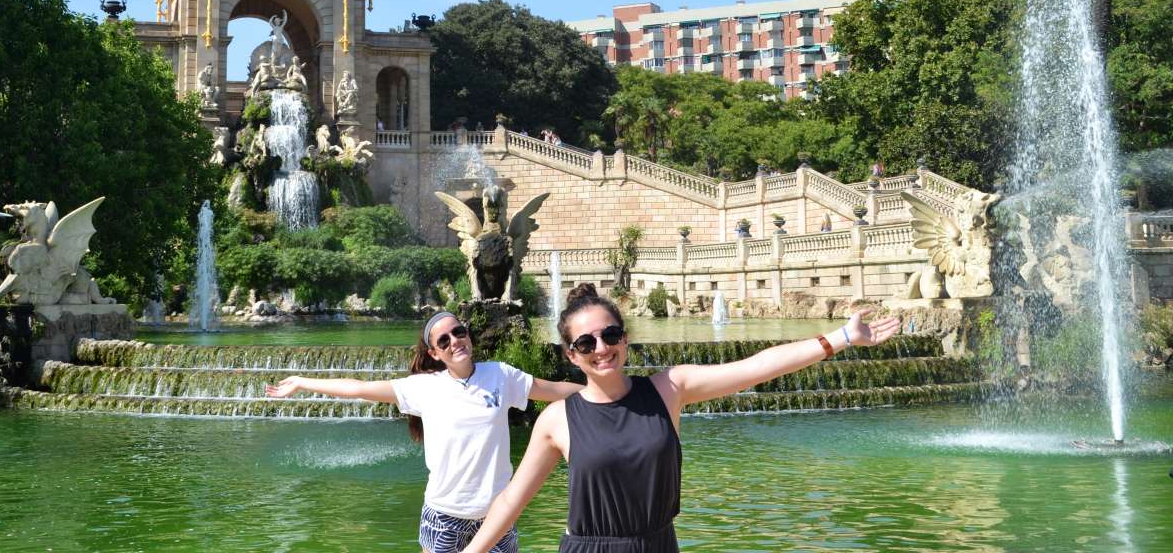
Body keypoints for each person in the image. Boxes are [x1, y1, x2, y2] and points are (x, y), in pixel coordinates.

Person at [460, 285, 900, 552]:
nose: (601, 348)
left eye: (610, 335)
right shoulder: (558, 419)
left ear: (625, 339)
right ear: (570, 355)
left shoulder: (668, 389)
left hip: (659, 544)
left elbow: (758, 365)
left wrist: (841, 337)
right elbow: (510, 502)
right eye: (586, 342)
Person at [266, 311, 583, 553]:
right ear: (434, 353)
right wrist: (301, 381)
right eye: (443, 340)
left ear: (467, 335)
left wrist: (605, 390)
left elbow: (553, 389)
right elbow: (357, 388)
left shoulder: (501, 375)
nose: (454, 341)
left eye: (458, 332)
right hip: (443, 516)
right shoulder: (423, 388)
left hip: (497, 515)